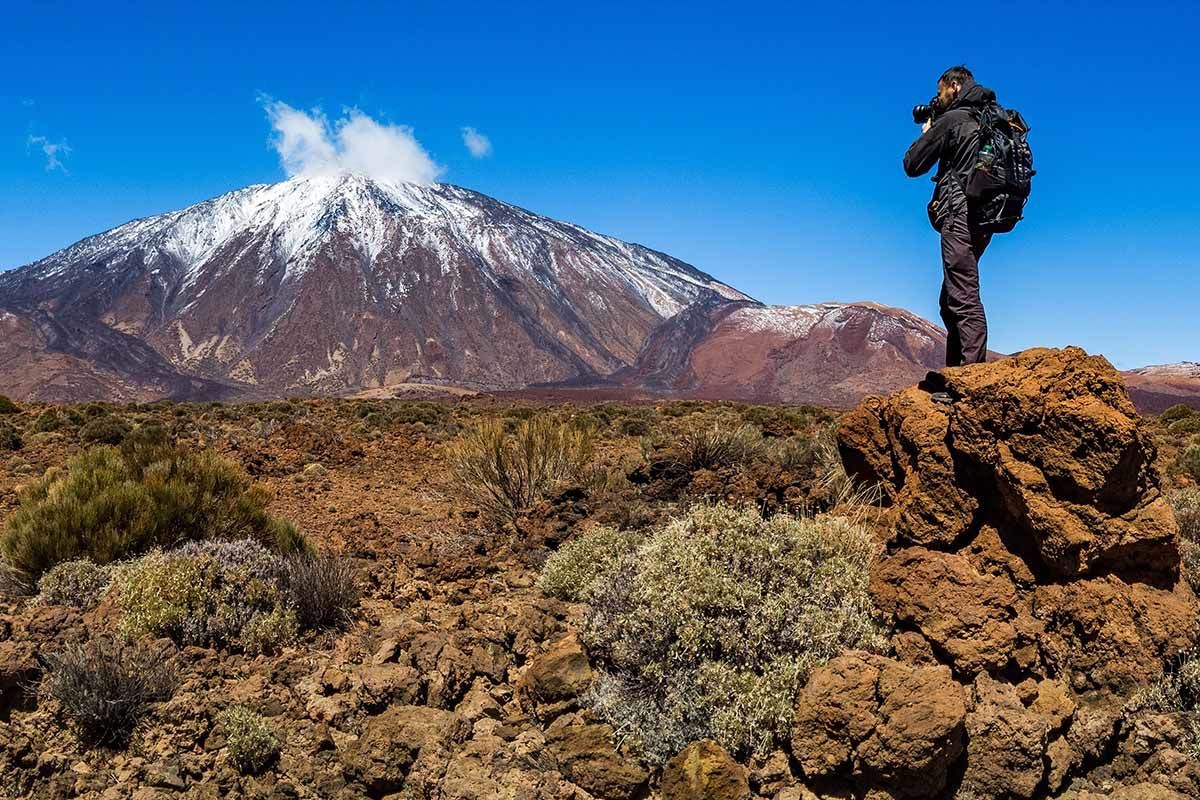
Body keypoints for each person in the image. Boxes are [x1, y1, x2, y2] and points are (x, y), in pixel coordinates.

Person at [903, 65, 999, 383]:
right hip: (985, 219)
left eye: (941, 91)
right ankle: (955, 374)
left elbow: (912, 164)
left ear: (954, 87)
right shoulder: (991, 119)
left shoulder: (955, 119)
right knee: (951, 299)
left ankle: (968, 381)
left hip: (960, 215)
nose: (938, 98)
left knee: (962, 296)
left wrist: (929, 130)